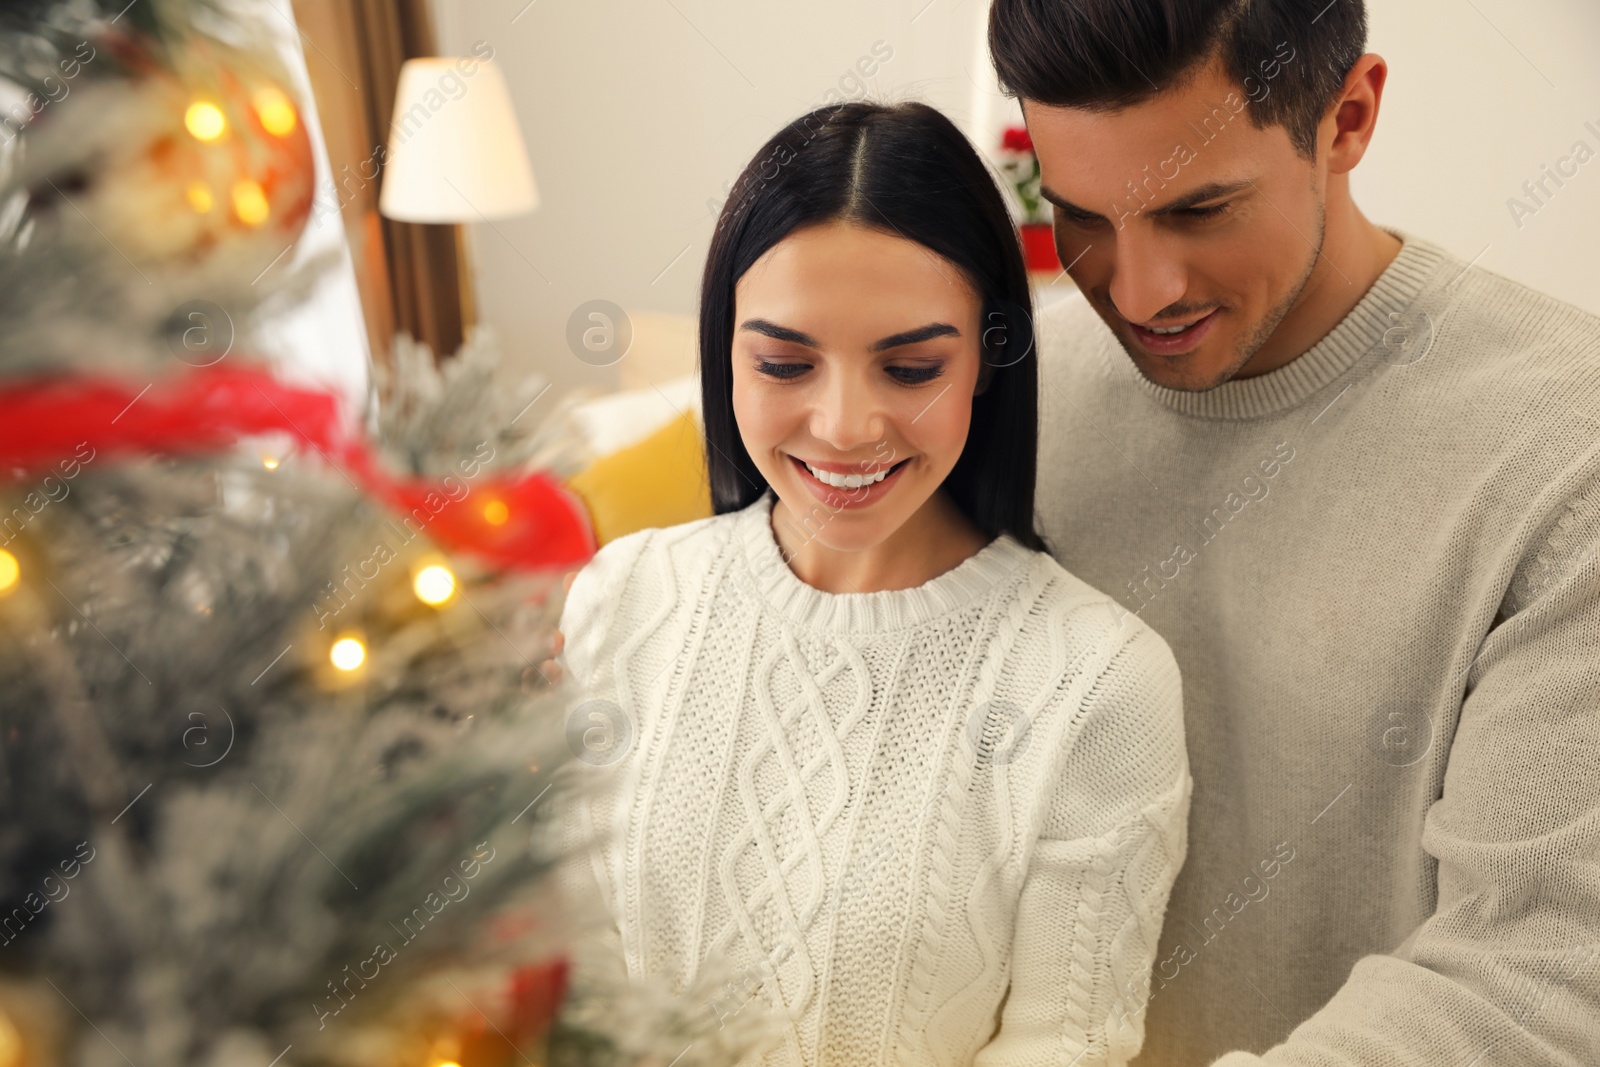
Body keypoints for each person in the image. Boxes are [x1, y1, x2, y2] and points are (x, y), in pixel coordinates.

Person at [985, 0, 1600, 1064]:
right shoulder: (1005, 402)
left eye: (1199, 209)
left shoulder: (1564, 453)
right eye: (1079, 214)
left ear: (1348, 117)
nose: (1137, 290)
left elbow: (1537, 972)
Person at [552, 101, 1193, 1066]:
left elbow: (1067, 1046)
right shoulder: (623, 599)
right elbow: (565, 976)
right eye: (783, 361)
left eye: (910, 366)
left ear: (986, 359)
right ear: (723, 353)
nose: (845, 425)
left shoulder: (1098, 683)